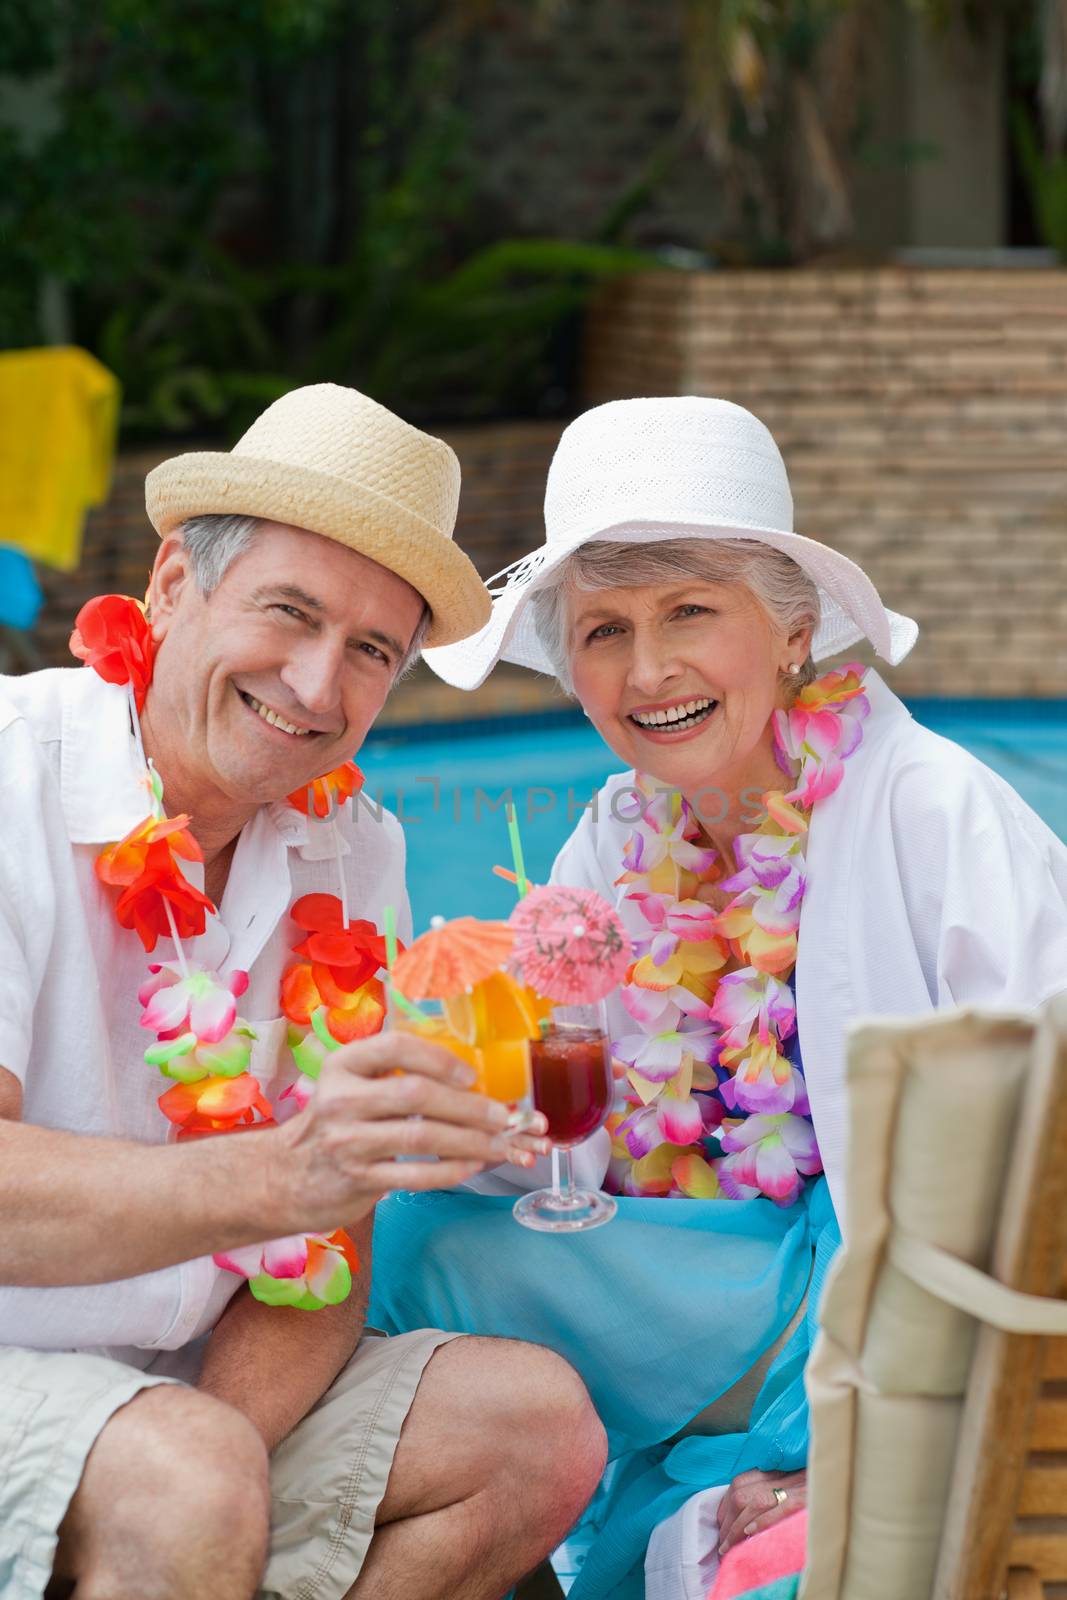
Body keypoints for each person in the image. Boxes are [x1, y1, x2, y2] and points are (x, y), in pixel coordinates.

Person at [368, 395, 1067, 1600]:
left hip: (908, 1311)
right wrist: (453, 1112)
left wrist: (875, 1449)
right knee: (387, 1239)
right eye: (602, 629)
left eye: (690, 611)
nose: (647, 672)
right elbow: (564, 1126)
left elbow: (1045, 1161)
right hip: (712, 1289)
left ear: (793, 628)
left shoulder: (931, 811)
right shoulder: (614, 829)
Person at [0, 383, 607, 1600]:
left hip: (188, 1388)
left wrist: (222, 1443)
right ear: (174, 586)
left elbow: (325, 1248)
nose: (318, 687)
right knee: (185, 1476)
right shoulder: (15, 776)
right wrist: (281, 1174)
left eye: (372, 651)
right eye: (290, 611)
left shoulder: (355, 848)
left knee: (536, 1430)